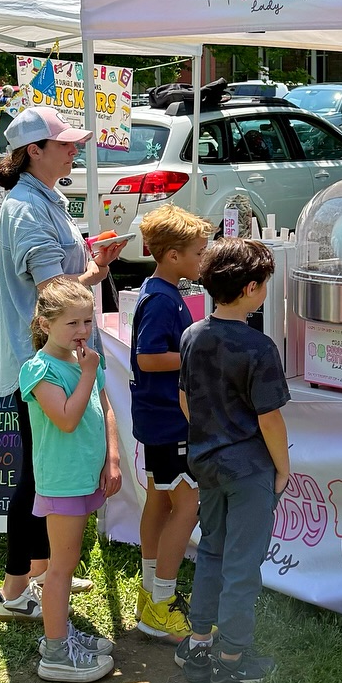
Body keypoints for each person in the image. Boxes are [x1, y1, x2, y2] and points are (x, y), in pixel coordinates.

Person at [0, 105, 126, 623]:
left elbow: (57, 279)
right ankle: (15, 587)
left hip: (55, 357)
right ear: (33, 152)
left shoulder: (44, 198)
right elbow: (53, 294)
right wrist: (93, 269)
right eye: (65, 144)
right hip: (40, 362)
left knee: (43, 473)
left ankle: (41, 576)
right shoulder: (27, 206)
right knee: (36, 477)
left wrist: (93, 261)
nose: (75, 149)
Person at [176, 239, 291, 683]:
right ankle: (232, 660)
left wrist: (208, 434)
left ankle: (199, 644)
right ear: (250, 289)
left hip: (207, 463)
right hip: (248, 470)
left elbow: (185, 399)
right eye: (263, 284)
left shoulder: (192, 335)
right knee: (243, 564)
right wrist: (282, 468)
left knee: (212, 552)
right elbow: (270, 418)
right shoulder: (258, 347)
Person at [18, 276, 122, 683]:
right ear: (45, 325)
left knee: (70, 558)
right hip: (62, 481)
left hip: (84, 476)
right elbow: (65, 419)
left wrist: (111, 458)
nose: (82, 332)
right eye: (72, 324)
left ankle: (59, 634)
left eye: (87, 321)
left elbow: (105, 405)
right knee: (60, 568)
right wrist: (87, 371)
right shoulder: (39, 369)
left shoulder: (81, 362)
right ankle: (57, 652)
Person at [129, 202, 212, 640]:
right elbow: (146, 356)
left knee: (159, 501)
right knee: (188, 504)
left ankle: (151, 594)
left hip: (156, 419)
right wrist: (196, 355)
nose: (203, 260)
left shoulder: (161, 291)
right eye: (198, 253)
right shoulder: (163, 298)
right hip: (168, 420)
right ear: (172, 255)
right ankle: (161, 602)